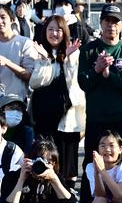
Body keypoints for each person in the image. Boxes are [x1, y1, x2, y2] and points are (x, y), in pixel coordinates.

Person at [78, 3, 122, 203]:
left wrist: (108, 75)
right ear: (101, 23)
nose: (110, 26)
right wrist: (96, 70)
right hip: (97, 116)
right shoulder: (89, 50)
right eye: (107, 21)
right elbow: (83, 83)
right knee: (92, 161)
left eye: (115, 22)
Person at [29, 15, 85, 186]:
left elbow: (73, 83)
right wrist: (46, 61)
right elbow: (35, 82)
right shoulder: (39, 52)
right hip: (45, 117)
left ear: (65, 32)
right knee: (46, 159)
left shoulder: (74, 52)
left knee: (68, 162)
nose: (54, 33)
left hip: (67, 116)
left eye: (59, 29)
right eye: (50, 29)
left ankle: (68, 198)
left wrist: (67, 59)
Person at [0, 4, 36, 152]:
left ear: (12, 20)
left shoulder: (25, 43)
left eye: (3, 17)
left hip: (22, 110)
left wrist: (7, 63)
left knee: (25, 157)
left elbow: (31, 76)